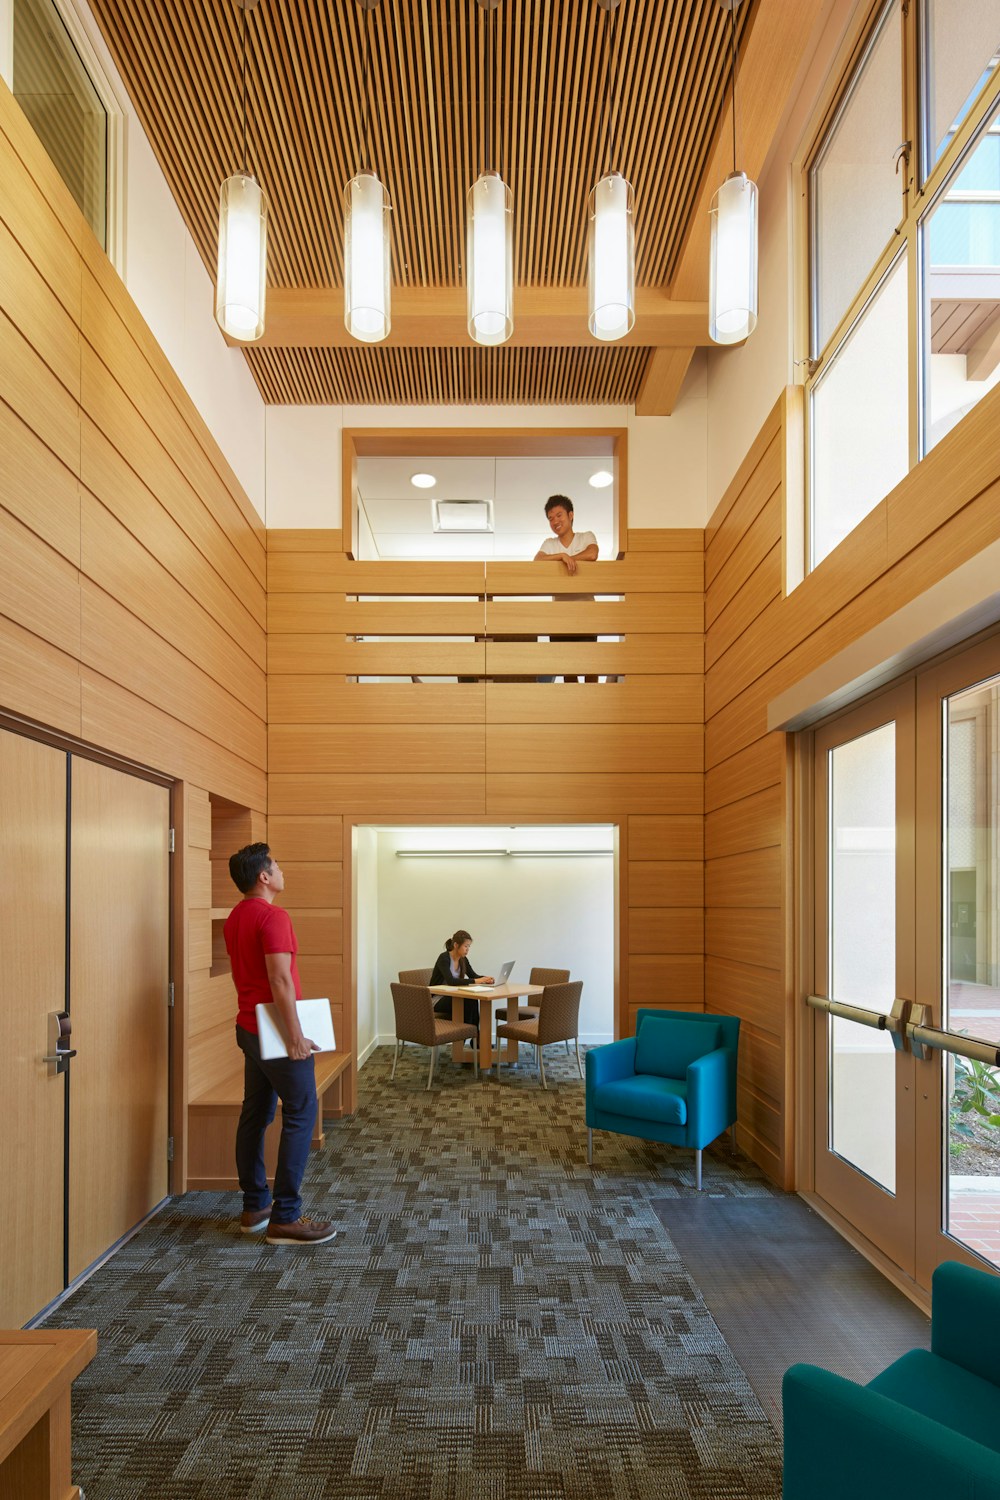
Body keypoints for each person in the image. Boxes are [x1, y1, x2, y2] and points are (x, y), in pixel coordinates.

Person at [224, 843, 336, 1247]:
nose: (282, 869)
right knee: (302, 1111)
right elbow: (280, 980)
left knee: (255, 1113)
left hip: (248, 1027)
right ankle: (286, 1217)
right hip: (274, 1031)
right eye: (277, 865)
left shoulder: (235, 917)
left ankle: (256, 1205)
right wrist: (295, 1036)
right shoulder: (273, 916)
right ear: (263, 877)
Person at [533, 494, 600, 682]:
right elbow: (537, 561)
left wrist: (570, 559)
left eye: (559, 515)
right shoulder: (550, 544)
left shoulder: (586, 536)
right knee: (567, 667)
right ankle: (574, 708)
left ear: (571, 515)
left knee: (590, 664)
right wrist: (561, 555)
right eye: (550, 518)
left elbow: (593, 553)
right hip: (560, 617)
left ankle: (592, 705)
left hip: (586, 614)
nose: (555, 521)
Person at [429, 930, 494, 1028]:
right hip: (437, 1000)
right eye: (465, 946)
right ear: (456, 945)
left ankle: (474, 1035)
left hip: (453, 996)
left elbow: (473, 975)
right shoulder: (444, 958)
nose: (467, 949)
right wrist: (477, 981)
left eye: (469, 947)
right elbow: (451, 981)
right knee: (469, 1002)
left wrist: (485, 979)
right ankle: (466, 1037)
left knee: (472, 1000)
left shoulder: (463, 959)